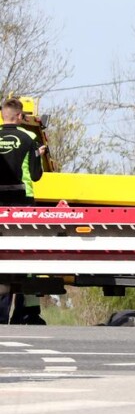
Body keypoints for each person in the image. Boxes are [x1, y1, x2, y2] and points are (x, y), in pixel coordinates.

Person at [0, 98, 47, 325]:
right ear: (19, 116)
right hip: (23, 203)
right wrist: (38, 154)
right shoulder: (29, 138)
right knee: (24, 256)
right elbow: (36, 175)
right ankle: (25, 313)